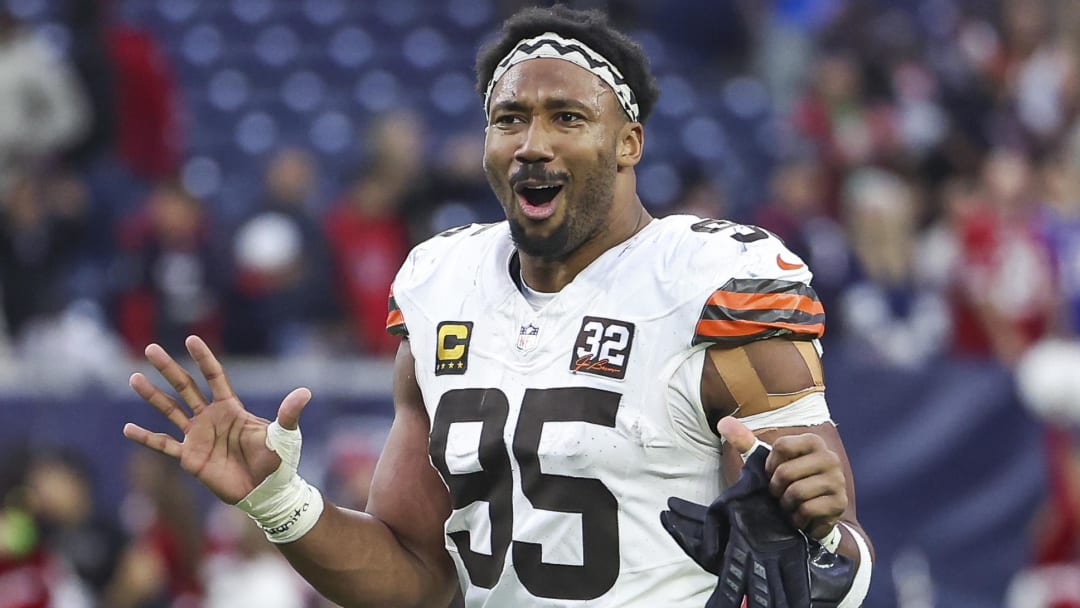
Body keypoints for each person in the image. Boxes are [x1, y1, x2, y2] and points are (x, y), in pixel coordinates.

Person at [121, 5, 873, 606]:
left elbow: (835, 550)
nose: (532, 143)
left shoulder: (714, 278)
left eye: (567, 118)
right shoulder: (441, 285)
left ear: (629, 142)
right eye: (510, 119)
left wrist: (823, 543)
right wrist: (278, 500)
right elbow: (415, 575)